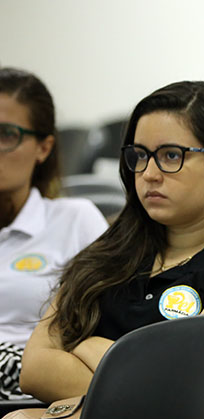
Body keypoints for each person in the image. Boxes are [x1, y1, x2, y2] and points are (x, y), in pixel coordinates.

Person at [20, 81, 204, 404]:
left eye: (171, 155)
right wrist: (140, 376)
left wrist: (85, 345)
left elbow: (185, 392)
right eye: (140, 155)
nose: (149, 174)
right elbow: (33, 370)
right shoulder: (109, 250)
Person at [0, 68, 107, 400]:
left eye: (6, 134)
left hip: (35, 400)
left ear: (44, 148)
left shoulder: (75, 219)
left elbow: (110, 327)